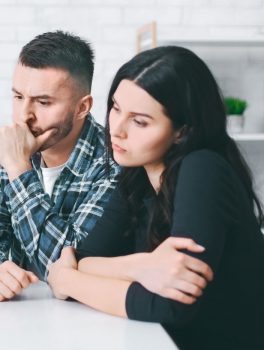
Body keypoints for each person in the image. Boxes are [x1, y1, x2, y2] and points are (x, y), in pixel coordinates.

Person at [47, 46, 264, 349]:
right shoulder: (136, 176)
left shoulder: (203, 168)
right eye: (116, 108)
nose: (117, 129)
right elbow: (85, 257)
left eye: (140, 121)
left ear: (182, 131)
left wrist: (65, 280)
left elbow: (170, 305)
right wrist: (139, 266)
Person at [0, 31, 119, 302]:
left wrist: (19, 170)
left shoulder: (113, 163)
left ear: (82, 107)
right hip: (21, 320)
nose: (24, 116)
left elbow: (69, 266)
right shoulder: (2, 155)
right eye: (18, 97)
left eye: (43, 102)